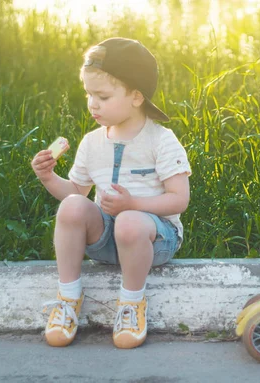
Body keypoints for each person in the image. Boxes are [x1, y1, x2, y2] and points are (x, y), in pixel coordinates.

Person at [31, 37, 191, 349]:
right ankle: (67, 299)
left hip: (153, 239)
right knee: (73, 207)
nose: (92, 103)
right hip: (106, 239)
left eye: (102, 96)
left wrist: (133, 204)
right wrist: (48, 177)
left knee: (130, 220)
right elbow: (75, 191)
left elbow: (179, 198)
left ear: (135, 96)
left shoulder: (161, 140)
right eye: (89, 94)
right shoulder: (92, 143)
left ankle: (131, 305)